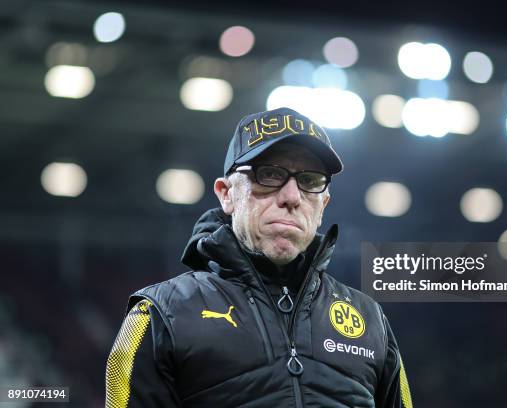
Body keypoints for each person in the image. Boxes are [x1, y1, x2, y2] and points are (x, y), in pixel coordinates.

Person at [105, 107, 413, 407]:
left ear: (323, 205)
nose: (292, 197)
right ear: (227, 194)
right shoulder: (160, 314)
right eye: (269, 174)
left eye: (309, 181)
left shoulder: (372, 321)